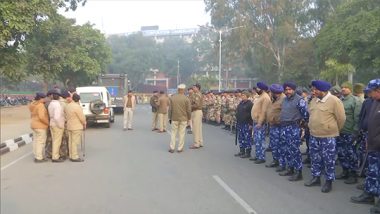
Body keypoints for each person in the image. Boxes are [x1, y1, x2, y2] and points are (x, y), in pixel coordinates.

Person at [305, 80, 346, 193]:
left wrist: (332, 129)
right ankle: (316, 178)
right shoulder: (313, 100)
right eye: (313, 89)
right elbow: (311, 115)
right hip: (314, 135)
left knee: (328, 160)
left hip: (328, 136)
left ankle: (328, 181)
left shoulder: (334, 101)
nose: (314, 92)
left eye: (316, 90)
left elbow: (341, 119)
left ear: (323, 90)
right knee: (315, 158)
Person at [351, 79, 380, 213]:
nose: (369, 94)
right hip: (373, 143)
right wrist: (369, 138)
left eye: (371, 92)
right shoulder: (374, 102)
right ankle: (369, 194)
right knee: (372, 171)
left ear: (378, 90)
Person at [279, 82, 309, 182]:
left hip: (294, 127)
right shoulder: (284, 100)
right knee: (287, 149)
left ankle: (298, 172)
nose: (287, 91)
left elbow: (305, 115)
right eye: (286, 90)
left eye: (290, 89)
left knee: (295, 150)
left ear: (294, 90)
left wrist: (301, 125)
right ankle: (290, 169)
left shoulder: (299, 100)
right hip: (284, 127)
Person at [335, 81, 362, 184]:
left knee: (351, 153)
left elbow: (357, 117)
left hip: (350, 132)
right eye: (342, 87)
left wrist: (355, 132)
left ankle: (353, 174)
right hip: (340, 131)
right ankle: (345, 171)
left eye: (346, 87)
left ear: (350, 89)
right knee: (341, 153)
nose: (343, 89)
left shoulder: (355, 101)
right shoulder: (339, 100)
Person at [266, 84, 286, 168]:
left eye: (271, 92)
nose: (270, 93)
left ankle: (282, 164)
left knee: (281, 145)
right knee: (274, 144)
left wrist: (277, 120)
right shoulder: (274, 99)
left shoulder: (283, 100)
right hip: (273, 126)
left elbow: (285, 113)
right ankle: (275, 160)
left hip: (280, 126)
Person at [250, 82, 271, 162]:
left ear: (262, 89)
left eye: (258, 88)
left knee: (260, 140)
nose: (257, 89)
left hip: (260, 122)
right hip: (256, 121)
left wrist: (260, 122)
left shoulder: (265, 97)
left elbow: (264, 111)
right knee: (256, 140)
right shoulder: (260, 96)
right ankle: (258, 155)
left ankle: (261, 157)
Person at [168, 84, 191, 153]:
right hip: (183, 118)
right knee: (182, 133)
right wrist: (189, 118)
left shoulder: (172, 98)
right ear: (183, 90)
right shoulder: (186, 98)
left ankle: (172, 148)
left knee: (173, 133)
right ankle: (180, 148)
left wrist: (170, 117)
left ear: (178, 89)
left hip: (174, 118)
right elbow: (189, 110)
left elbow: (170, 109)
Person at [65, 93, 86, 162]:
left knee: (70, 141)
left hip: (69, 126)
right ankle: (74, 157)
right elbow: (82, 117)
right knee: (75, 142)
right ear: (78, 100)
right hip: (76, 126)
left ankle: (71, 155)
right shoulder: (77, 107)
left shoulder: (68, 106)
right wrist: (84, 124)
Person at [29, 92, 49, 163]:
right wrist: (48, 123)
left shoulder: (32, 104)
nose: (45, 99)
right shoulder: (40, 105)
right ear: (41, 98)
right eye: (44, 98)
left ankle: (36, 155)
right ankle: (39, 158)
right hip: (40, 126)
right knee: (41, 142)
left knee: (36, 141)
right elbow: (41, 117)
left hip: (33, 124)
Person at [234, 91, 253, 157]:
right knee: (241, 137)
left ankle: (248, 153)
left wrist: (251, 124)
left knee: (247, 138)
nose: (242, 96)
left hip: (247, 123)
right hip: (240, 123)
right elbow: (238, 111)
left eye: (244, 95)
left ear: (247, 96)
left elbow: (251, 115)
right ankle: (242, 151)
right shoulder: (241, 103)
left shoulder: (250, 104)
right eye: (242, 95)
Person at [48, 90, 65, 162]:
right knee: (57, 141)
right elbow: (57, 117)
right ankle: (55, 157)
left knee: (54, 140)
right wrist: (60, 125)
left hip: (52, 123)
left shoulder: (51, 104)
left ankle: (54, 155)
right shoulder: (57, 105)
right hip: (57, 124)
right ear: (58, 97)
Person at [189, 83, 204, 149]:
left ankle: (196, 143)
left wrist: (189, 106)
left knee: (195, 128)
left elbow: (196, 105)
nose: (193, 89)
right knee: (198, 128)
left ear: (197, 88)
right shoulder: (195, 94)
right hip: (197, 111)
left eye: (194, 87)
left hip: (196, 111)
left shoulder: (197, 95)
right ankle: (200, 142)